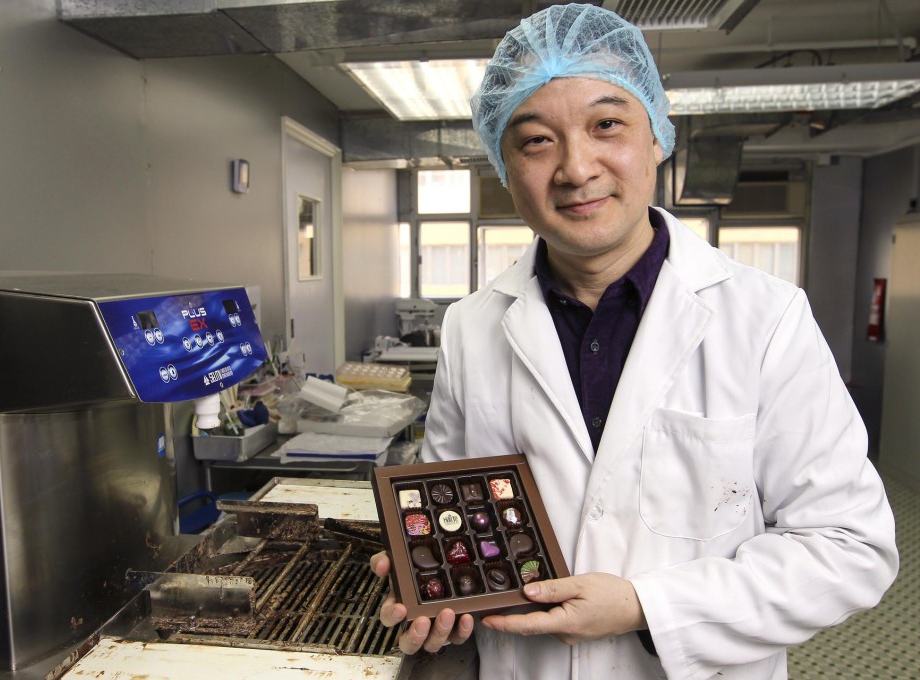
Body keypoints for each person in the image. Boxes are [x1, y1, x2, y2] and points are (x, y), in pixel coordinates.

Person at [369, 4, 899, 679]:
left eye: (606, 125)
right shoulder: (472, 326)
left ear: (656, 136)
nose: (576, 168)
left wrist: (646, 605)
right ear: (503, 166)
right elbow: (457, 506)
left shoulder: (765, 318)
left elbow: (851, 549)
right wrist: (434, 578)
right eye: (535, 140)